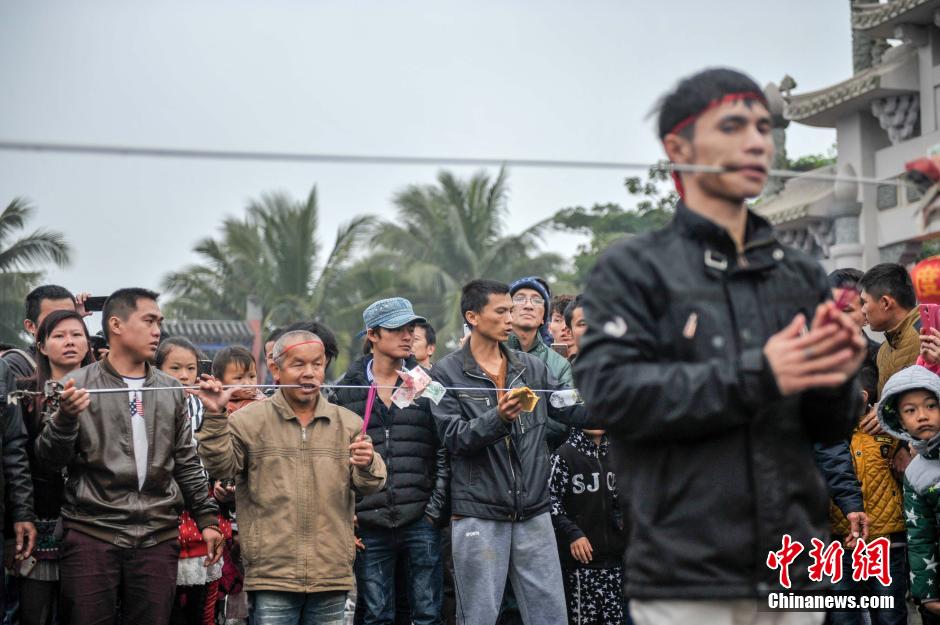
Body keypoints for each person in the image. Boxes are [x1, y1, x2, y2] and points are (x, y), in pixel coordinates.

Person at [574, 68, 866, 625]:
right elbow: (610, 395)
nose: (757, 141)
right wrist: (761, 374)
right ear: (678, 147)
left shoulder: (799, 273)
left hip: (794, 568)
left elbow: (829, 426)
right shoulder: (635, 269)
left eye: (763, 127)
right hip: (687, 574)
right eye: (733, 126)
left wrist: (836, 373)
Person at [34, 288, 222, 625]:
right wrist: (65, 419)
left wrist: (207, 520)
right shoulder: (77, 385)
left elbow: (186, 462)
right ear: (116, 325)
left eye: (159, 323)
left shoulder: (171, 389)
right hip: (92, 531)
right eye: (149, 321)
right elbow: (49, 461)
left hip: (157, 535)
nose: (157, 331)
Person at [197, 329, 387, 625]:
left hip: (330, 573)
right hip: (271, 573)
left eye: (317, 364)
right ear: (275, 368)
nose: (309, 373)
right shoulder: (248, 421)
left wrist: (368, 463)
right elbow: (221, 466)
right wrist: (214, 417)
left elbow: (370, 484)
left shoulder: (347, 422)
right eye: (298, 364)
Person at [430, 279, 588, 625]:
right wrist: (498, 418)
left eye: (511, 310)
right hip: (478, 513)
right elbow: (454, 437)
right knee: (479, 616)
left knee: (551, 616)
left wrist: (619, 405)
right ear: (472, 316)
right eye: (502, 310)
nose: (511, 317)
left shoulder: (530, 368)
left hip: (534, 510)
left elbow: (568, 405)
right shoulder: (446, 372)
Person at [333, 298, 448, 625]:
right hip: (369, 524)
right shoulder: (345, 389)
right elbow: (335, 459)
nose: (407, 335)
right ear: (372, 334)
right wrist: (350, 515)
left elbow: (445, 448)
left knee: (427, 615)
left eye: (411, 328)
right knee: (376, 616)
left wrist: (434, 511)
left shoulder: (428, 383)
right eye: (397, 329)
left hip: (421, 519)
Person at [12, 310, 94, 625]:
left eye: (76, 335)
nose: (69, 342)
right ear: (42, 346)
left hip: (93, 523)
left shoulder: (106, 391)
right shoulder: (24, 394)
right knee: (35, 612)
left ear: (88, 343)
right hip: (39, 520)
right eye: (59, 336)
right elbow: (15, 458)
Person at [155, 337, 232, 625]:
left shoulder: (204, 404)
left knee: (202, 605)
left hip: (199, 508)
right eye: (175, 367)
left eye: (190, 368)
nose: (184, 375)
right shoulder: (149, 404)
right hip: (165, 511)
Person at [823, 365, 906, 625]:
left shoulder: (889, 430)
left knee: (889, 614)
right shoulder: (824, 433)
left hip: (886, 543)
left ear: (861, 397)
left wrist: (903, 442)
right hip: (839, 542)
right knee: (842, 615)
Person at [876, 365, 940, 624]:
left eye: (931, 406)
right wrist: (927, 595)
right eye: (910, 410)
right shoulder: (915, 474)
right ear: (900, 421)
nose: (922, 416)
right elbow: (920, 537)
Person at [549, 426, 627, 625]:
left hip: (614, 564)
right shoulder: (564, 455)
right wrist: (573, 533)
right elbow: (549, 500)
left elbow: (625, 500)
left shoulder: (616, 455)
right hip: (580, 566)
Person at [506, 277, 573, 451]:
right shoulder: (490, 355)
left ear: (544, 317)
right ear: (507, 311)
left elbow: (563, 423)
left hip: (542, 460)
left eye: (537, 300)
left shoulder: (559, 364)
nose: (528, 305)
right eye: (519, 298)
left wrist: (513, 422)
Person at [2, 285, 90, 378]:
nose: (69, 342)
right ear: (31, 326)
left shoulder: (93, 362)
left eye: (69, 316)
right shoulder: (15, 365)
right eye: (52, 319)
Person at [859, 263, 920, 396]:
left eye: (864, 303)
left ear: (885, 303)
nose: (862, 310)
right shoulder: (883, 351)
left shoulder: (927, 337)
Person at [212, 345, 264, 415]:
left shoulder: (263, 400)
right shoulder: (221, 407)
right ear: (220, 382)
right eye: (239, 378)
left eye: (252, 376)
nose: (248, 383)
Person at [549, 295, 576, 359]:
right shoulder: (538, 362)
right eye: (558, 320)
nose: (565, 326)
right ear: (549, 327)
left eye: (571, 320)